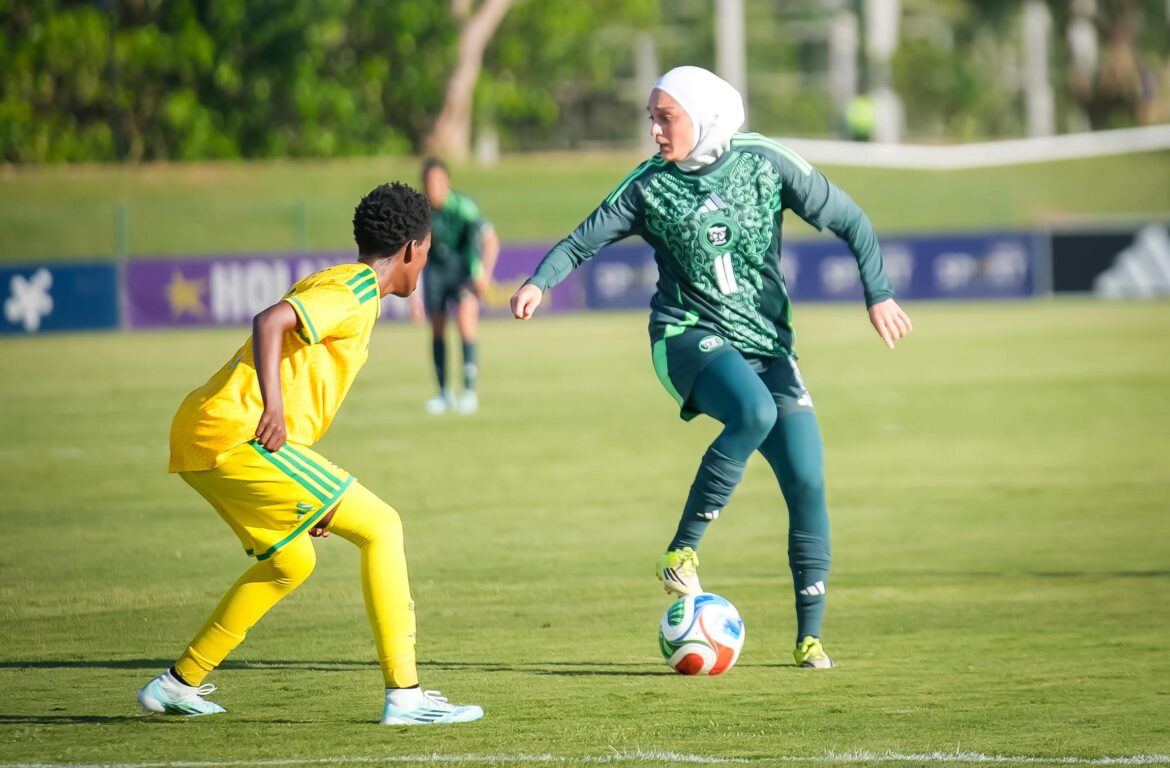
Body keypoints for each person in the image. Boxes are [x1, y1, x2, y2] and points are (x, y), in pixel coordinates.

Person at [509, 66, 912, 669]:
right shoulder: (649, 186)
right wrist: (539, 282)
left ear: (703, 117)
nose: (654, 130)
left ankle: (809, 639)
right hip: (685, 337)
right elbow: (578, 242)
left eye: (665, 117)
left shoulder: (765, 162)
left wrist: (878, 293)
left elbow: (852, 221)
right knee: (754, 411)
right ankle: (681, 552)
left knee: (807, 480)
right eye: (650, 117)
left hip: (768, 349)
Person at [138, 182, 484, 725]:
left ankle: (178, 683)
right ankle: (406, 696)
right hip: (236, 432)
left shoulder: (344, 282)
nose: (427, 261)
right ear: (412, 249)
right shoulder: (356, 290)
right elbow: (270, 320)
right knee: (382, 526)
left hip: (204, 432)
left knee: (289, 563)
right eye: (428, 249)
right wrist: (273, 410)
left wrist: (302, 486)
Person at [411, 157, 500, 415]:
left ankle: (469, 391)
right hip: (435, 274)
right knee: (437, 329)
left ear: (447, 181)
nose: (435, 187)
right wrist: (414, 297)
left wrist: (484, 275)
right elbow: (411, 255)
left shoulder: (463, 206)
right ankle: (443, 394)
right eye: (430, 182)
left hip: (463, 272)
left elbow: (491, 240)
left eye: (439, 181)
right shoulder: (421, 213)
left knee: (465, 321)